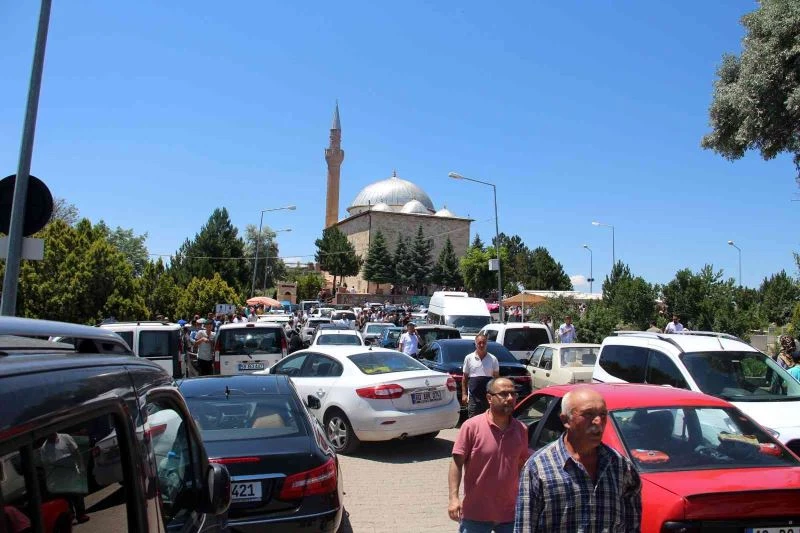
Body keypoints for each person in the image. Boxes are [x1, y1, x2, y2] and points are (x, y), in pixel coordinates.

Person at [514, 387, 641, 532]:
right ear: (565, 420)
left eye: (603, 414)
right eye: (588, 414)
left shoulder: (620, 466)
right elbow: (524, 527)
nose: (598, 421)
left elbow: (632, 526)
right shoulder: (538, 467)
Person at [449, 378, 530, 533]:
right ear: (489, 398)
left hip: (510, 514)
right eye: (504, 394)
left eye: (513, 394)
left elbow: (521, 466)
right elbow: (457, 463)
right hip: (476, 513)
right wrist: (453, 498)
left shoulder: (521, 429)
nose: (510, 398)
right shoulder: (471, 427)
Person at [40, 432, 90, 524]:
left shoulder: (65, 437)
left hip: (71, 471)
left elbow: (76, 452)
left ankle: (81, 514)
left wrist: (81, 466)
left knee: (77, 493)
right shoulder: (44, 448)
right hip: (58, 475)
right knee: (65, 497)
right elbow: (46, 465)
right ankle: (70, 515)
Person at [462, 334, 500, 419]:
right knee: (473, 419)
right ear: (475, 344)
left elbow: (497, 379)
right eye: (479, 343)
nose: (482, 345)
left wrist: (497, 395)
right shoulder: (469, 358)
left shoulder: (493, 359)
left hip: (488, 397)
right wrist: (464, 394)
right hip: (473, 397)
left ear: (487, 344)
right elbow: (464, 378)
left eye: (484, 343)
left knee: (488, 419)